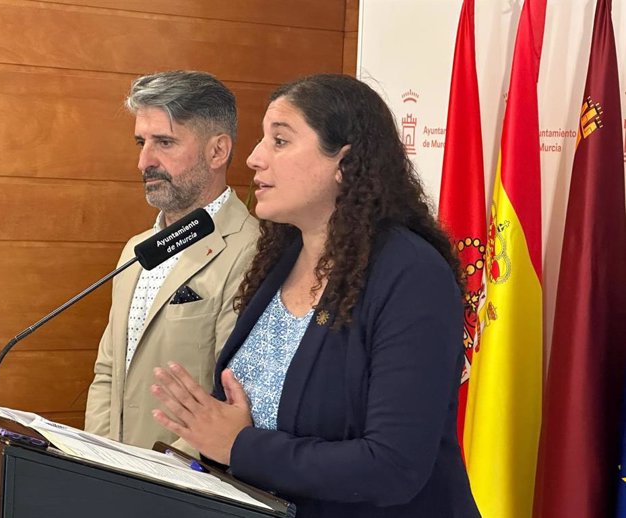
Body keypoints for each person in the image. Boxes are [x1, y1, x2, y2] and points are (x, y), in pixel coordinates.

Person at [149, 74, 480, 517]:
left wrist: (240, 446)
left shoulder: (412, 275)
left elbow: (393, 467)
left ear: (343, 162)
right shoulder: (280, 257)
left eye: (280, 141)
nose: (253, 158)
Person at [84, 71, 258, 452]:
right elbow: (107, 373)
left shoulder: (252, 249)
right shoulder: (136, 250)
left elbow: (234, 395)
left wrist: (162, 477)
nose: (145, 161)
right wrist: (98, 463)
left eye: (164, 142)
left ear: (218, 151)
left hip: (183, 487)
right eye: (141, 143)